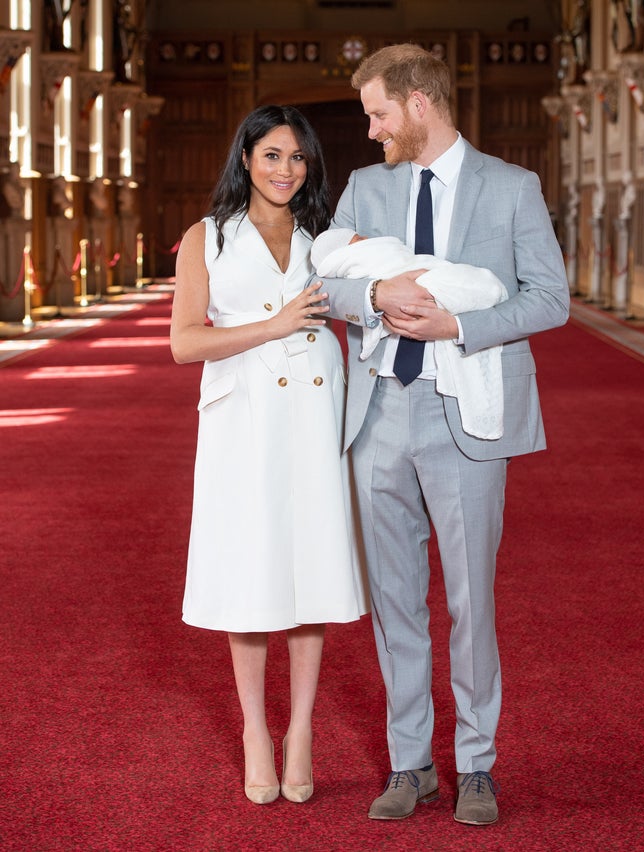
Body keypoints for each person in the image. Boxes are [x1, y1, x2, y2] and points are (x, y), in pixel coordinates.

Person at [313, 44, 569, 826]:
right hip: (380, 415)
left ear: (419, 103)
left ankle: (478, 765)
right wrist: (377, 290)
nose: (371, 130)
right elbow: (324, 283)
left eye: (379, 113)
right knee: (395, 601)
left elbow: (550, 299)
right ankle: (410, 763)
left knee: (470, 601)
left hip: (467, 415)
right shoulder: (365, 187)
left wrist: (458, 321)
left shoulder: (512, 187)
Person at [170, 105, 368, 807]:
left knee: (310, 566)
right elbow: (186, 343)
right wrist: (275, 323)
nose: (287, 170)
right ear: (246, 159)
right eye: (273, 155)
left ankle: (303, 731)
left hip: (315, 412)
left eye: (298, 158)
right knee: (252, 572)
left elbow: (368, 300)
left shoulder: (327, 238)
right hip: (244, 418)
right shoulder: (208, 238)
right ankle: (257, 728)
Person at [311, 228, 508, 439]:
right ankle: (485, 289)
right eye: (359, 240)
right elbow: (317, 288)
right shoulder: (357, 204)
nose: (367, 239)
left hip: (448, 382)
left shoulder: (516, 193)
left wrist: (456, 327)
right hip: (378, 395)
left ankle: (486, 288)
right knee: (447, 286)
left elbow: (546, 295)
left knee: (459, 282)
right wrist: (376, 295)